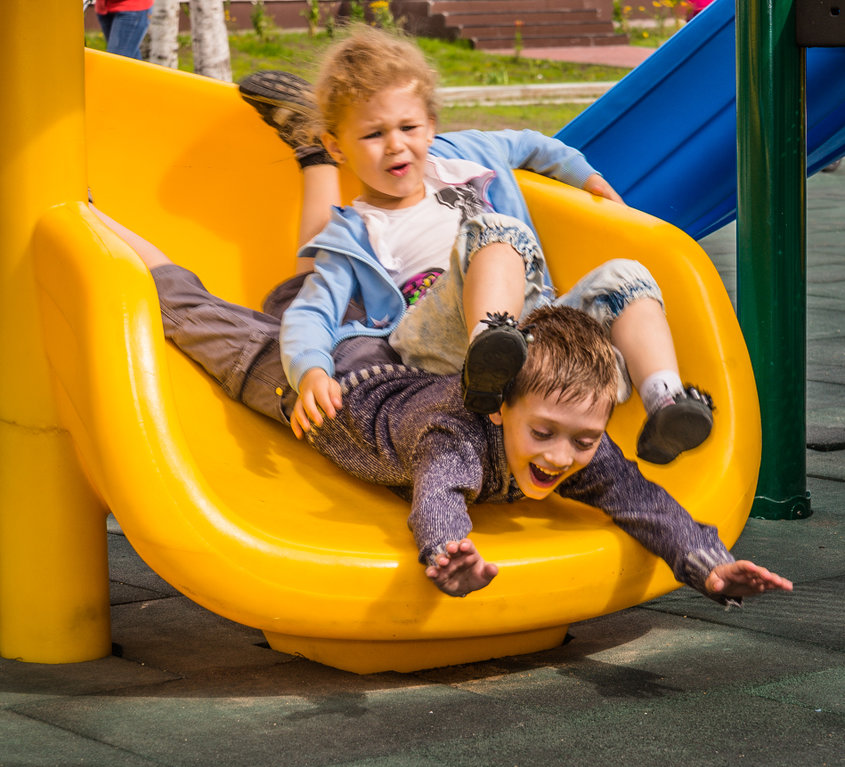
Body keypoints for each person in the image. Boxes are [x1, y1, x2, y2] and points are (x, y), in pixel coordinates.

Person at [88, 204, 792, 603]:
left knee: (309, 298)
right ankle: (94, 217)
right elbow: (437, 494)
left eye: (582, 440)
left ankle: (310, 260)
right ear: (499, 407)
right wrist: (447, 550)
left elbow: (643, 500)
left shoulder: (575, 444)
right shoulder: (455, 433)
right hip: (325, 385)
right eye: (545, 431)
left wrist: (708, 563)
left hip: (389, 356)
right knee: (184, 305)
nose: (561, 456)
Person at [238, 26, 714, 466]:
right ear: (337, 148)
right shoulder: (352, 234)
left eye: (408, 127)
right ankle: (488, 356)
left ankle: (665, 403)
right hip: (440, 343)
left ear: (430, 124)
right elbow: (310, 310)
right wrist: (310, 371)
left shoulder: (465, 156)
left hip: (538, 332)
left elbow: (531, 144)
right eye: (373, 134)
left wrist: (587, 176)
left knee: (626, 277)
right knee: (487, 232)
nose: (396, 146)